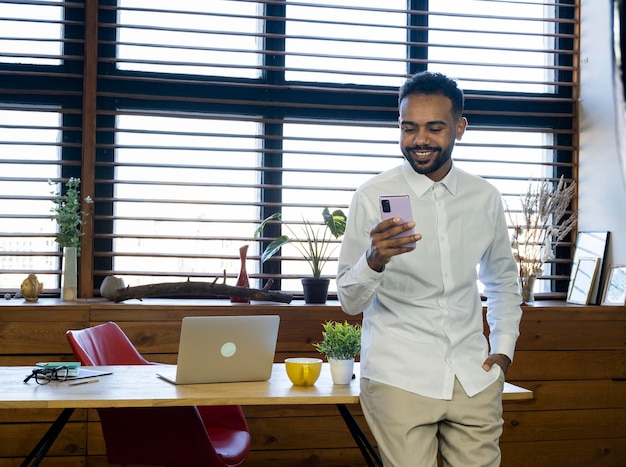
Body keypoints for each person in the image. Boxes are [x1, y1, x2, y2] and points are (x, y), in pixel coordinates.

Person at [336, 71, 522, 467]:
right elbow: (350, 302)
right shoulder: (371, 197)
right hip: (398, 378)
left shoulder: (484, 197)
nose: (419, 139)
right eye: (409, 127)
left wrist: (503, 350)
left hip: (474, 377)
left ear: (460, 127)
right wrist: (374, 259)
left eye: (434, 128)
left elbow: (503, 280)